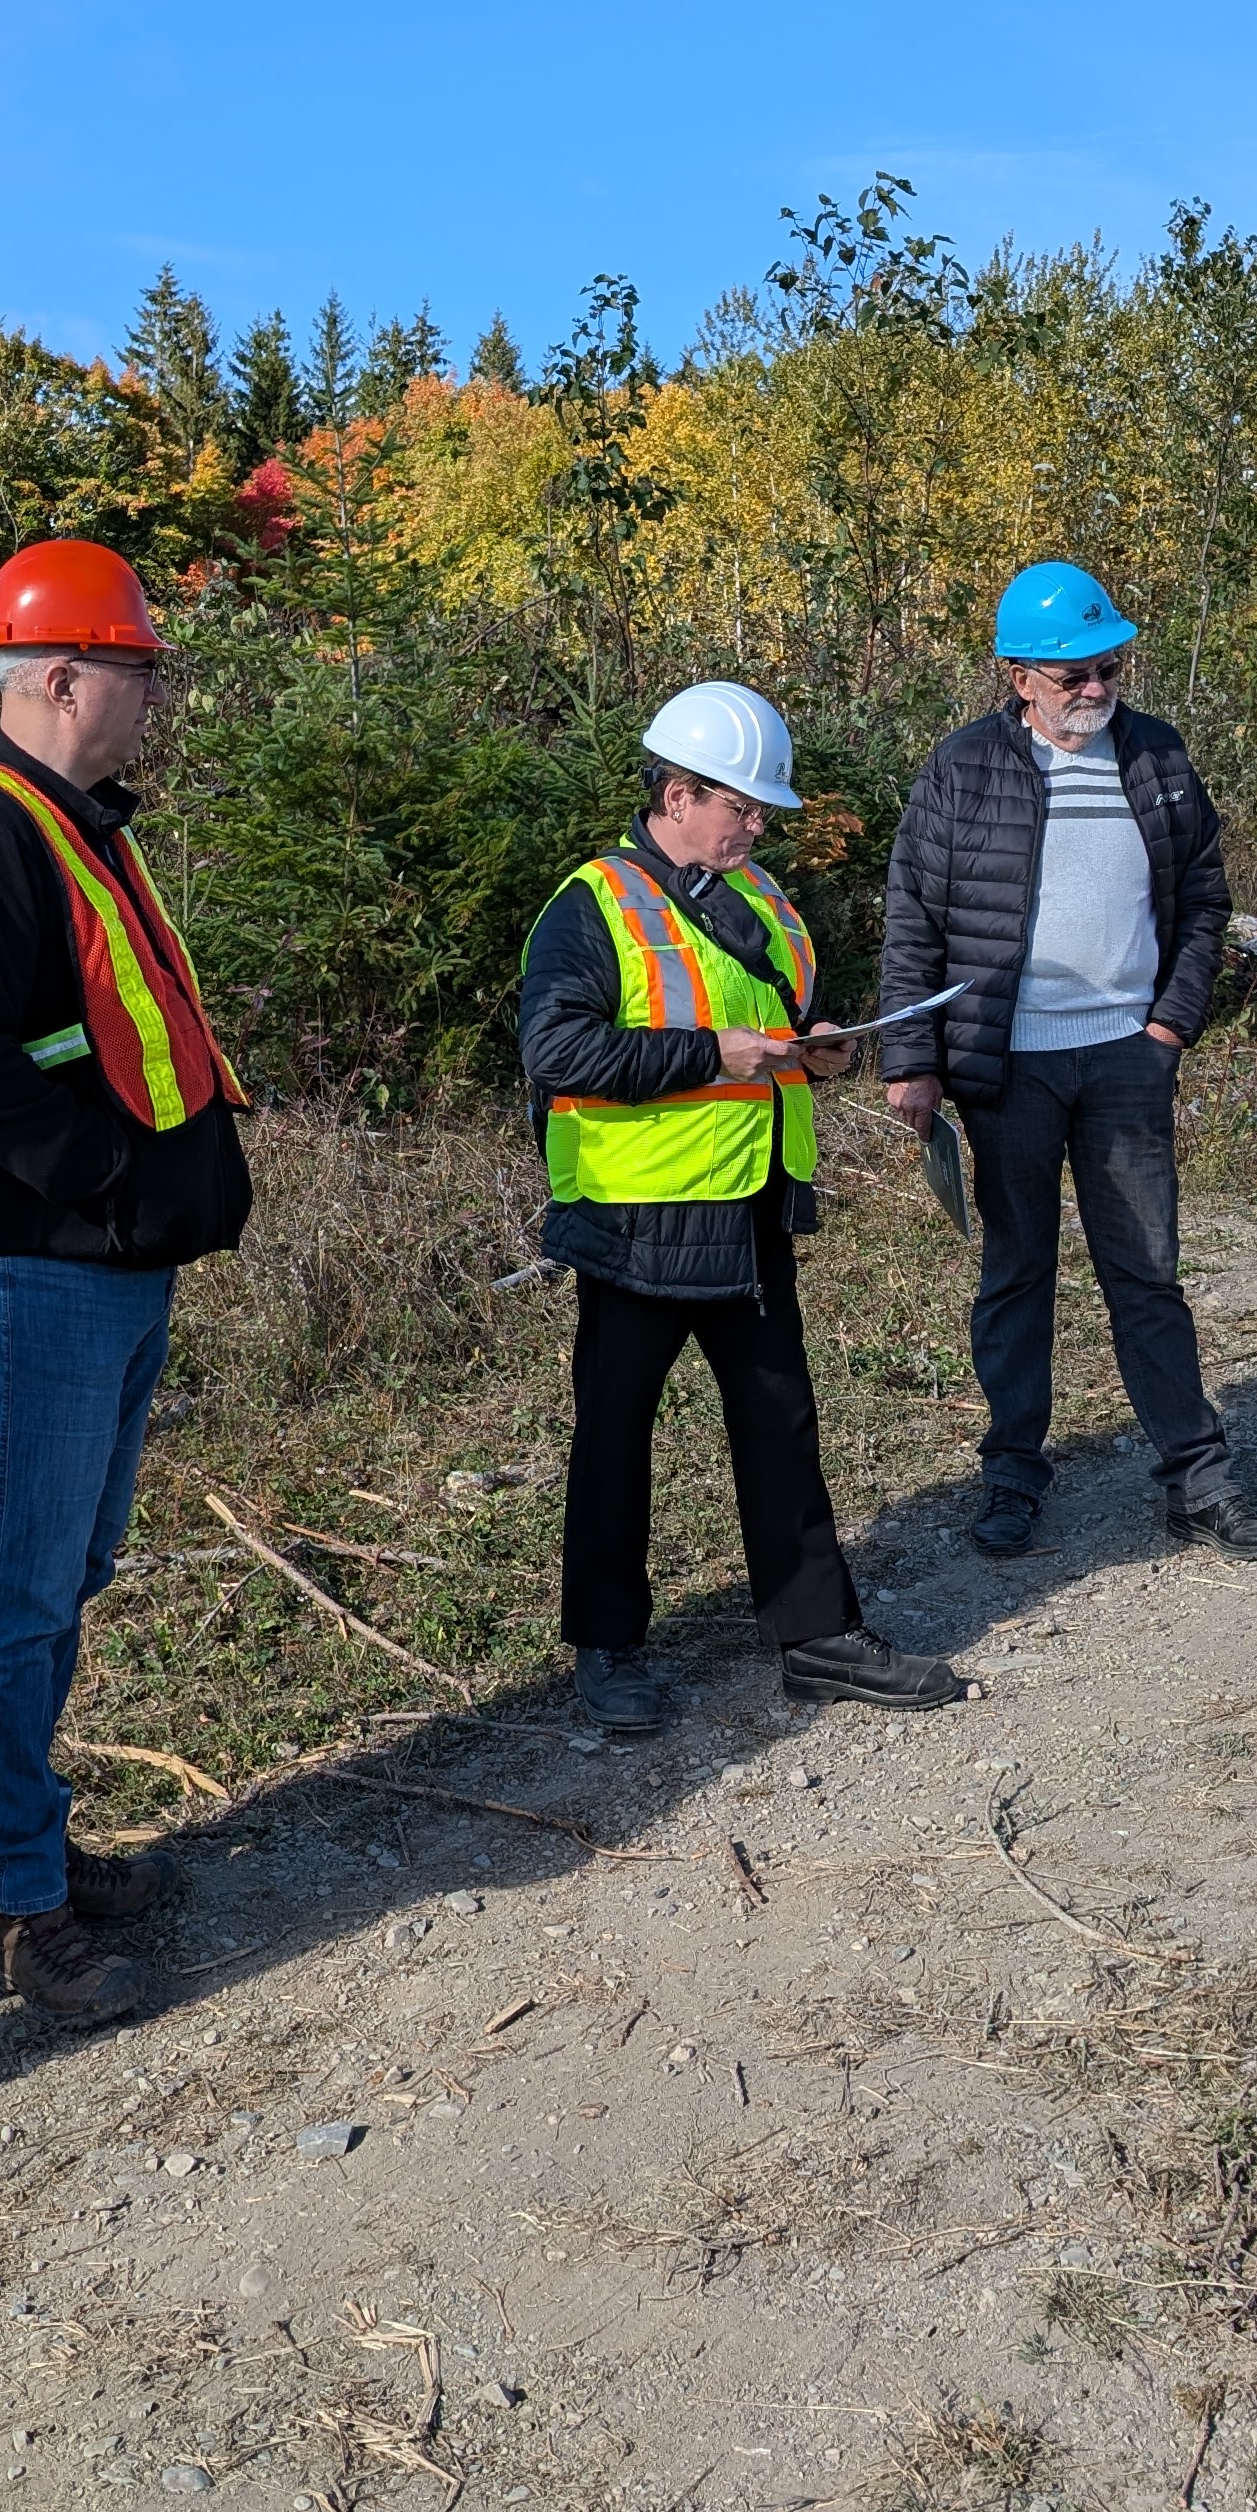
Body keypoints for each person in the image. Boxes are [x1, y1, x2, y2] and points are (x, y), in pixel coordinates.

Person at [0, 539, 254, 2021]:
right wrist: (107, 1178)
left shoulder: (72, 823)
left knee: (69, 1572)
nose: (152, 695)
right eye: (134, 669)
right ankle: (16, 1904)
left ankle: (29, 1848)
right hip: (42, 1265)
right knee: (26, 1586)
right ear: (59, 677)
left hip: (102, 1265)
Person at [518, 681, 965, 1740]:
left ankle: (818, 1638)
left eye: (762, 810)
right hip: (633, 1221)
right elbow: (558, 1049)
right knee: (614, 1438)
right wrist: (712, 1055)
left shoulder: (759, 897)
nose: (758, 826)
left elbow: (779, 1024)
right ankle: (607, 1650)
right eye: (743, 806)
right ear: (676, 795)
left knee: (780, 1421)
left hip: (751, 1207)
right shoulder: (593, 903)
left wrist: (822, 1048)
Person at [879, 563, 1257, 1566]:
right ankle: (1012, 1477)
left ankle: (1199, 1481)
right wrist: (911, 1059)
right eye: (1072, 674)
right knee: (1017, 1273)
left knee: (1146, 1274)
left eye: (1108, 666)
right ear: (1018, 675)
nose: (1096, 686)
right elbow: (913, 919)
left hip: (1124, 1062)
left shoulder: (1157, 755)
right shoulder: (962, 767)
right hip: (1006, 1068)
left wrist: (1169, 1029)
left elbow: (1204, 900)